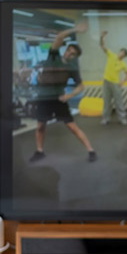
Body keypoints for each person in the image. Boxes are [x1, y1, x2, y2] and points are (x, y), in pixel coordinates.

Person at [28, 22, 96, 163]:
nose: (70, 53)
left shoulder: (72, 68)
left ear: (75, 57)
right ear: (65, 50)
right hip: (43, 98)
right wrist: (76, 29)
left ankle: (91, 150)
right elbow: (59, 37)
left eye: (73, 53)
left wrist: (69, 96)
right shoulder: (54, 57)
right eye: (69, 50)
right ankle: (40, 151)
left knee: (72, 127)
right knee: (40, 126)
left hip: (59, 100)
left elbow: (81, 86)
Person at [99, 31, 127, 125]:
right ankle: (106, 118)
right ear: (119, 52)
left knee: (118, 102)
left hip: (116, 84)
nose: (122, 54)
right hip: (106, 82)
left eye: (124, 54)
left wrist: (123, 81)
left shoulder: (123, 64)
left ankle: (122, 118)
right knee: (106, 102)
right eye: (121, 52)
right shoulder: (111, 55)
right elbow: (103, 46)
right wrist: (102, 37)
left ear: (124, 56)